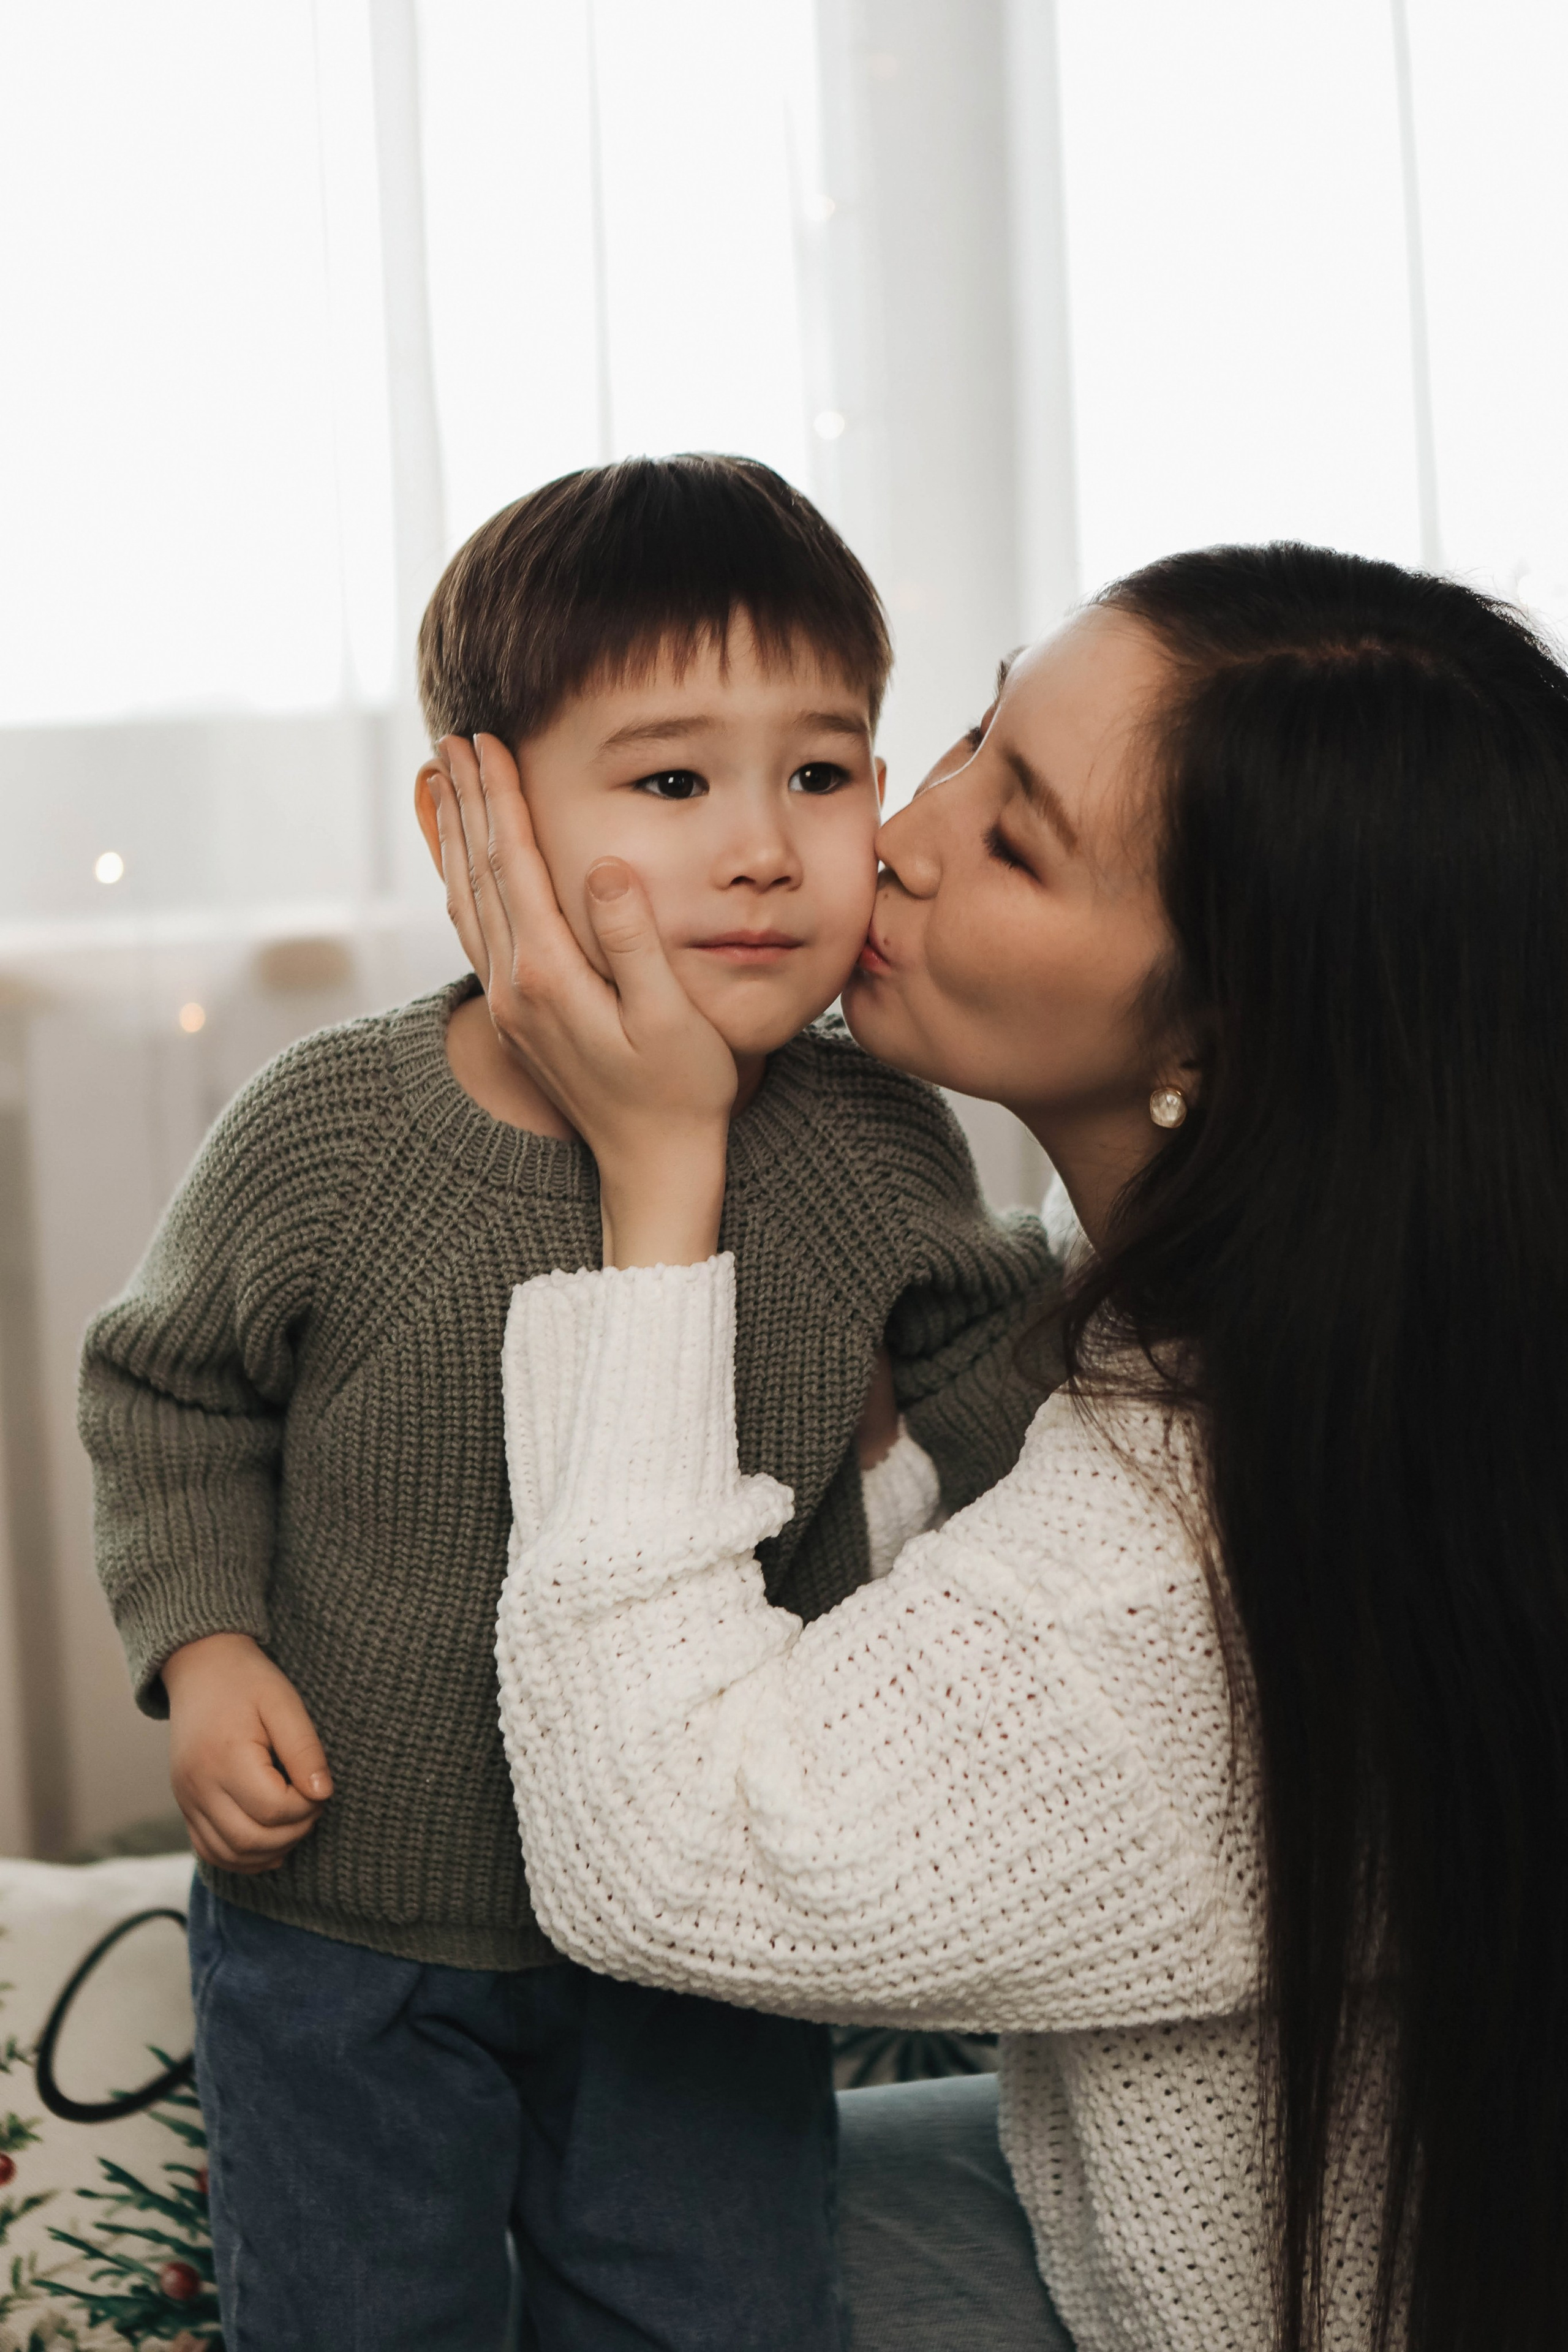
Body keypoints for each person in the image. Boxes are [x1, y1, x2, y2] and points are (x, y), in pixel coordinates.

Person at [434, 541, 1568, 2352]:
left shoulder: (1193, 1562)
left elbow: (656, 1853)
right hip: (1110, 2211)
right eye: (967, 738)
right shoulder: (1332, 1335)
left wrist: (658, 1181)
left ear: (1224, 1025)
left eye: (1019, 837)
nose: (893, 835)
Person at [76, 456, 1057, 2352]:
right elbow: (168, 1396)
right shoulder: (337, 1131)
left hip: (705, 1937)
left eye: (826, 771)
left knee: (723, 2313)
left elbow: (1023, 1393)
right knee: (362, 2319)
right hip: (349, 1921)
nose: (766, 846)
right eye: (676, 782)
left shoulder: (873, 1141)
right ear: (480, 821)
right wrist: (203, 1651)